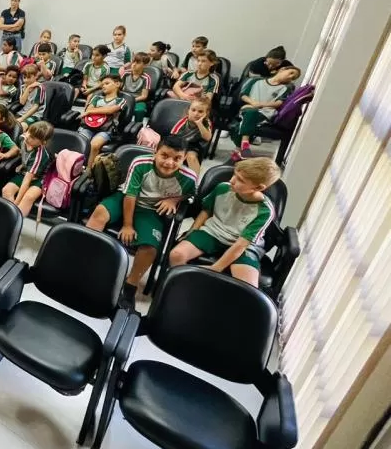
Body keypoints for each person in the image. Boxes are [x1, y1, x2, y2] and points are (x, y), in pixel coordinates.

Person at [86, 136, 196, 305]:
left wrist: (174, 200)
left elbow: (191, 195)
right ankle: (87, 261)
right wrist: (127, 225)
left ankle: (130, 286)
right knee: (100, 212)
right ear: (155, 152)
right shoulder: (140, 163)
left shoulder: (189, 177)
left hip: (151, 210)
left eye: (177, 158)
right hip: (127, 199)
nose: (169, 163)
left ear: (185, 158)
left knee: (150, 248)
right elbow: (130, 195)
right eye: (164, 155)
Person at [169, 157, 281, 286]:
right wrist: (192, 231)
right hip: (213, 232)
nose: (232, 180)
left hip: (243, 245)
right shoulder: (222, 188)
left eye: (241, 180)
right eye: (235, 174)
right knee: (176, 255)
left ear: (258, 187)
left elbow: (241, 245)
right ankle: (182, 289)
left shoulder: (265, 211)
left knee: (248, 285)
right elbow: (206, 211)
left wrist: (216, 267)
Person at [229, 66, 301, 161]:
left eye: (293, 78)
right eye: (291, 73)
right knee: (251, 113)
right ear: (282, 69)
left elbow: (279, 103)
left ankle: (239, 147)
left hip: (266, 113)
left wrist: (261, 105)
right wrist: (253, 103)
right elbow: (243, 95)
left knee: (242, 123)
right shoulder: (256, 81)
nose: (290, 77)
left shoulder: (286, 88)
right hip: (249, 107)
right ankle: (244, 146)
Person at [2, 120, 55, 216]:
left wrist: (16, 202)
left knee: (28, 197)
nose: (28, 137)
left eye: (33, 138)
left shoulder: (39, 156)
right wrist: (23, 164)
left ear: (43, 143)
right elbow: (21, 151)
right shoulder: (22, 138)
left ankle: (16, 219)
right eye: (28, 132)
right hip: (26, 171)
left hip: (41, 178)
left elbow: (27, 181)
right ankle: (9, 216)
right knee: (6, 190)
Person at [79, 75, 126, 168]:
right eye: (102, 84)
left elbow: (111, 110)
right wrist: (93, 110)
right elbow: (89, 108)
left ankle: (89, 170)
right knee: (81, 141)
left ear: (117, 84)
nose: (103, 86)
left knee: (95, 144)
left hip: (106, 129)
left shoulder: (121, 100)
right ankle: (77, 166)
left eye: (107, 83)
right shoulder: (97, 97)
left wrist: (91, 111)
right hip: (89, 126)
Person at [171, 98, 213, 172]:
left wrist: (199, 124)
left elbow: (208, 138)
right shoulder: (182, 122)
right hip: (180, 142)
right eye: (193, 110)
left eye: (200, 111)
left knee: (191, 157)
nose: (196, 114)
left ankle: (194, 177)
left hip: (195, 145)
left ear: (206, 113)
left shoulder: (206, 123)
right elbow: (172, 136)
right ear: (188, 111)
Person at [120, 53, 152, 121]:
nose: (134, 64)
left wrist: (131, 100)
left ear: (145, 65)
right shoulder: (126, 74)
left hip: (138, 100)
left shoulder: (146, 78)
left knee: (140, 111)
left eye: (138, 63)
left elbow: (144, 96)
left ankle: (138, 125)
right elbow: (119, 88)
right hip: (125, 97)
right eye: (133, 61)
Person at [14, 63, 46, 131]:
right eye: (24, 77)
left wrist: (22, 118)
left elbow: (35, 107)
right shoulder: (23, 87)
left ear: (35, 76)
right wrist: (28, 88)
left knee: (21, 127)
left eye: (29, 77)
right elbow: (22, 102)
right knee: (9, 124)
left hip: (35, 115)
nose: (26, 80)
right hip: (23, 112)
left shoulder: (40, 88)